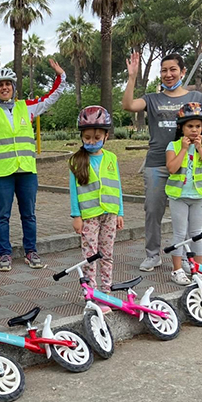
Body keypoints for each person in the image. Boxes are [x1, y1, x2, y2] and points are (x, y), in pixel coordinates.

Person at [122, 51, 202, 272]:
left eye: (173, 69)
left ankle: (187, 258)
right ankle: (152, 255)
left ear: (183, 72)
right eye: (164, 70)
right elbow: (128, 105)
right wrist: (131, 78)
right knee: (153, 211)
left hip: (187, 167)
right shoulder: (152, 98)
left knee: (186, 218)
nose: (168, 74)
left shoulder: (196, 98)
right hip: (157, 163)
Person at [0, 59, 66, 272]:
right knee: (3, 216)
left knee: (29, 214)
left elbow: (51, 97)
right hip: (1, 174)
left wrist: (60, 76)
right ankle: (5, 254)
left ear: (14, 87)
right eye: (0, 85)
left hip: (26, 171)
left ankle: (31, 251)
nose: (4, 87)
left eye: (8, 84)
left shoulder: (26, 107)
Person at [69, 106, 124, 307]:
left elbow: (117, 185)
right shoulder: (76, 160)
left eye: (96, 137)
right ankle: (91, 293)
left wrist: (120, 212)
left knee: (107, 254)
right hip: (89, 216)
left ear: (106, 136)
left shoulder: (111, 158)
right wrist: (76, 215)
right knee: (90, 256)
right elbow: (73, 191)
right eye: (87, 137)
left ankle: (106, 291)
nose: (92, 141)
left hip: (109, 214)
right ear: (82, 137)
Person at [166, 103, 202, 285]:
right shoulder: (173, 145)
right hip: (178, 197)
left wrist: (200, 149)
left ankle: (197, 268)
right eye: (190, 126)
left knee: (197, 233)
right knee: (179, 234)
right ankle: (177, 270)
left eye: (198, 126)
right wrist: (183, 149)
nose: (194, 130)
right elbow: (172, 168)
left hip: (199, 196)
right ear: (181, 128)